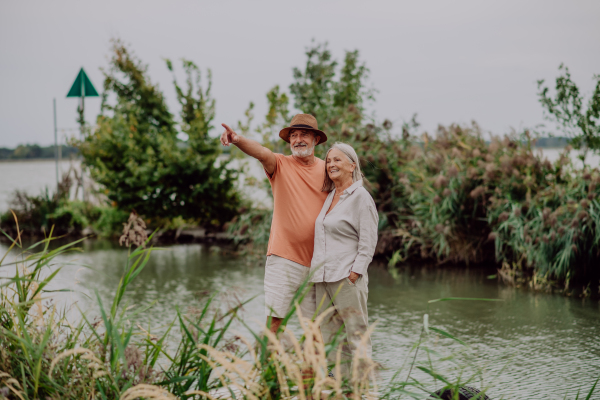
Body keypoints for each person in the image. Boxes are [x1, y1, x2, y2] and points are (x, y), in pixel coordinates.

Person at [220, 114, 328, 333]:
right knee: (276, 324)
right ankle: (267, 368)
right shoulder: (279, 164)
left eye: (304, 135)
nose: (298, 139)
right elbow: (261, 152)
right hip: (284, 259)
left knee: (315, 329)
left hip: (319, 262)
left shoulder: (328, 170)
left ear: (316, 139)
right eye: (293, 135)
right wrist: (237, 139)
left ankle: (310, 369)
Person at [310, 142, 378, 379]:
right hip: (323, 278)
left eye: (337, 160)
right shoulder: (329, 196)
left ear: (352, 165)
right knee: (330, 338)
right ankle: (341, 388)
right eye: (328, 161)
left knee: (356, 336)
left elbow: (368, 241)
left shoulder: (361, 197)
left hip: (347, 278)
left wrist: (355, 273)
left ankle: (364, 390)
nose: (331, 165)